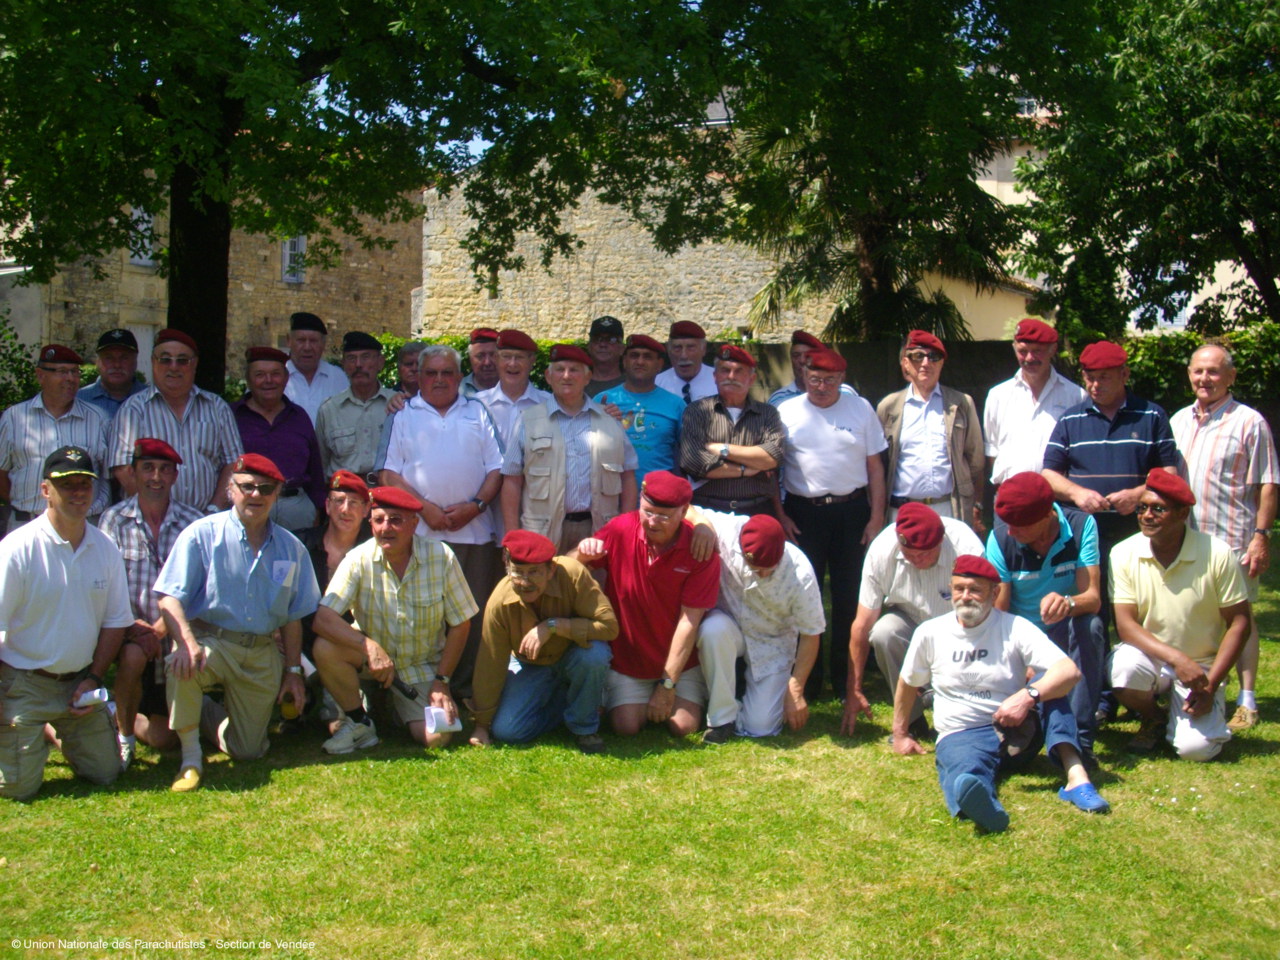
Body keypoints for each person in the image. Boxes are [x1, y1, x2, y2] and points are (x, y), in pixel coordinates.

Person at [891, 555, 1110, 833]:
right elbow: (908, 682)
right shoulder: (930, 632)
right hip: (962, 732)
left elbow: (1069, 671)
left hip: (1018, 731)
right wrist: (900, 733)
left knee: (1049, 681)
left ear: (995, 593)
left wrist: (1028, 696)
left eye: (975, 590)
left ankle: (1077, 778)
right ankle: (982, 805)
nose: (965, 596)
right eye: (959, 589)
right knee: (964, 771)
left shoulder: (1015, 627)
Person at [155, 453, 321, 792]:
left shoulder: (292, 549)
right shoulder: (202, 534)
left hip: (260, 652)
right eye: (247, 487)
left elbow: (292, 617)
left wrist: (293, 672)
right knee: (182, 664)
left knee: (248, 750)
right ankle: (191, 759)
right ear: (230, 490)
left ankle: (202, 712)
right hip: (211, 642)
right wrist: (186, 642)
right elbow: (168, 597)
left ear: (277, 494)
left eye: (266, 488)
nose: (256, 494)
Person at [0, 446, 133, 800]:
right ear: (46, 490)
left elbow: (116, 622)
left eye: (84, 484)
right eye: (66, 484)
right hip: (23, 684)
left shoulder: (105, 548)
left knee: (106, 773)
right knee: (18, 790)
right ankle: (31, 728)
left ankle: (52, 732)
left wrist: (94, 678)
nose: (77, 492)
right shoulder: (17, 548)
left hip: (78, 683)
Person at [311, 485, 477, 753]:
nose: (386, 528)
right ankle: (360, 722)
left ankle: (392, 708)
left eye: (396, 520)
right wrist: (368, 646)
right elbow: (323, 618)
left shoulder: (441, 556)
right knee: (325, 647)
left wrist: (442, 681)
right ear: (371, 523)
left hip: (420, 666)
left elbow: (461, 624)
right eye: (378, 520)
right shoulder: (357, 559)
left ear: (414, 524)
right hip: (370, 662)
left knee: (437, 738)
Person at [381, 344, 503, 697]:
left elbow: (497, 468)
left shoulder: (477, 411)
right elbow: (388, 473)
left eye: (447, 372)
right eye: (431, 373)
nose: (439, 379)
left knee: (470, 617)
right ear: (418, 377)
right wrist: (424, 509)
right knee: (423, 617)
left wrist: (475, 506)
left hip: (474, 534)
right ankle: (421, 690)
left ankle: (462, 691)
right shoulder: (402, 414)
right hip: (420, 535)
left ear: (459, 376)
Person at [1171, 343, 1278, 731]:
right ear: (1189, 374)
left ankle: (1247, 699)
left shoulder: (1249, 422)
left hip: (1232, 538)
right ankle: (1199, 687)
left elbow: (1268, 483)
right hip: (1184, 540)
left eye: (1214, 371)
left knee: (1240, 619)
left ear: (1230, 377)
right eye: (1198, 371)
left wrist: (1261, 536)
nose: (1205, 379)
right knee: (1193, 615)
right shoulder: (1177, 421)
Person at [1110, 470, 1251, 761]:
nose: (1147, 516)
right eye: (1142, 508)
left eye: (1157, 509)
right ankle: (1154, 717)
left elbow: (1240, 622)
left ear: (1182, 513)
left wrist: (1210, 685)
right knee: (1123, 669)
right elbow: (1125, 625)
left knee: (1195, 751)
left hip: (1202, 667)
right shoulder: (1122, 553)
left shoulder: (1218, 553)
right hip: (1151, 657)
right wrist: (1177, 659)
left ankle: (1204, 707)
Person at [571, 471, 721, 738]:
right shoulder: (620, 529)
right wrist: (581, 555)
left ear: (684, 511)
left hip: (682, 663)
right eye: (647, 511)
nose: (652, 522)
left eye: (663, 516)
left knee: (684, 726)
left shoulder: (699, 549)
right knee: (625, 726)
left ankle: (675, 691)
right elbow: (567, 568)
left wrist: (667, 684)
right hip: (629, 661)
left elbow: (689, 622)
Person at [778, 348, 887, 700]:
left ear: (842, 379)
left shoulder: (861, 409)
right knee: (805, 596)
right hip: (803, 513)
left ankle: (845, 681)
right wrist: (781, 515)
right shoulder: (787, 411)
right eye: (814, 379)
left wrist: (876, 517)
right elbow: (771, 469)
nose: (821, 387)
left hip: (851, 511)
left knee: (848, 596)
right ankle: (807, 682)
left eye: (829, 380)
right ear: (803, 374)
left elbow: (875, 468)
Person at [984, 471, 1106, 764]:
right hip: (1022, 640)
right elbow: (999, 614)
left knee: (1090, 626)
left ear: (1047, 515)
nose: (1010, 532)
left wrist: (1067, 603)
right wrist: (1023, 657)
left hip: (1064, 630)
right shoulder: (999, 539)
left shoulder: (1081, 526)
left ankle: (1081, 739)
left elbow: (1092, 599)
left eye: (1019, 526)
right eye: (1007, 524)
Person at [99, 438, 205, 768]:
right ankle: (125, 739)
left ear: (175, 476)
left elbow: (198, 589)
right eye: (147, 468)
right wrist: (135, 628)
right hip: (129, 630)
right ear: (133, 473)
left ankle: (111, 710)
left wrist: (160, 630)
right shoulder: (114, 520)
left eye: (164, 469)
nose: (156, 477)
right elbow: (106, 585)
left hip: (175, 634)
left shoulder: (193, 523)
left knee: (163, 739)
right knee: (132, 656)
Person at [841, 503, 983, 737]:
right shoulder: (882, 551)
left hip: (960, 626)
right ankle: (912, 719)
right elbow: (862, 625)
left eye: (925, 554)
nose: (917, 560)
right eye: (909, 554)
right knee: (884, 632)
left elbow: (985, 612)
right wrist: (853, 689)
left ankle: (961, 710)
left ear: (940, 541)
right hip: (909, 622)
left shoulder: (965, 546)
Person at [470, 530, 617, 753]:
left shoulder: (573, 574)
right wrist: (481, 725)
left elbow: (609, 627)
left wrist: (554, 626)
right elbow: (490, 664)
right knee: (508, 732)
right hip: (530, 665)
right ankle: (570, 704)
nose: (524, 582)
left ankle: (584, 728)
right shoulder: (499, 602)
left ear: (551, 570)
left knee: (595, 654)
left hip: (573, 657)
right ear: (507, 568)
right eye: (518, 572)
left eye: (534, 572)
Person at [691, 510, 825, 742]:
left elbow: (811, 633)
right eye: (754, 567)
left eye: (768, 569)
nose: (760, 574)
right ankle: (721, 719)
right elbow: (687, 507)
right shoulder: (727, 530)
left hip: (772, 642)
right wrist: (701, 524)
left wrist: (796, 688)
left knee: (760, 726)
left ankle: (740, 709)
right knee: (712, 630)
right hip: (730, 624)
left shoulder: (800, 571)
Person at [1042, 340, 1179, 562]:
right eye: (1090, 378)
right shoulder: (1070, 419)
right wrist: (1078, 493)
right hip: (1083, 532)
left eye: (1104, 377)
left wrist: (1137, 495)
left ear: (1124, 375)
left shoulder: (1152, 416)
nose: (1095, 385)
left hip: (1137, 529)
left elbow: (1169, 473)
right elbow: (1049, 475)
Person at [501, 343, 638, 553]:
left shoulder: (610, 420)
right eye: (559, 369)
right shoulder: (528, 420)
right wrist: (512, 536)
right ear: (548, 376)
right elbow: (512, 480)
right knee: (543, 577)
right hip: (542, 530)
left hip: (599, 530)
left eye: (574, 370)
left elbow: (628, 476)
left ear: (587, 377)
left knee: (595, 576)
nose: (566, 376)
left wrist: (625, 528)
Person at [111, 329, 243, 514]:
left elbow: (234, 464)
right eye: (165, 359)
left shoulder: (217, 407)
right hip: (150, 520)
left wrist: (213, 511)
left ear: (194, 364)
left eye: (182, 360)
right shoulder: (133, 409)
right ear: (153, 362)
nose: (174, 367)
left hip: (206, 520)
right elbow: (123, 469)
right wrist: (159, 512)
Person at [877, 330, 985, 534]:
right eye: (918, 356)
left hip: (948, 509)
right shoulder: (888, 407)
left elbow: (975, 461)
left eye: (934, 357)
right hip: (902, 510)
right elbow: (879, 465)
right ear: (905, 363)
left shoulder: (961, 403)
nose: (926, 363)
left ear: (942, 363)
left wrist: (976, 504)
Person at [0, 345, 111, 535]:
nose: (71, 378)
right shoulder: (14, 418)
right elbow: (1, 474)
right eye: (62, 371)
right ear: (40, 375)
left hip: (85, 527)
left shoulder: (99, 419)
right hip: (27, 525)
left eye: (75, 372)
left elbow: (110, 476)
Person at [679, 344, 785, 519]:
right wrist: (747, 469)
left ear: (751, 379)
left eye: (739, 371)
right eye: (725, 370)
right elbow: (695, 463)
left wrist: (721, 449)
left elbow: (772, 457)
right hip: (708, 511)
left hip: (758, 509)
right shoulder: (697, 411)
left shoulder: (767, 413)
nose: (731, 376)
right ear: (715, 376)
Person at [982, 318, 1085, 493]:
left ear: (1052, 349)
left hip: (1057, 498)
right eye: (1023, 351)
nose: (1029, 358)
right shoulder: (998, 395)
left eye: (1037, 351)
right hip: (1010, 496)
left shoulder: (1076, 396)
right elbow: (992, 450)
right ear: (1014, 349)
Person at [232, 346, 326, 531]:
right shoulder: (232, 416)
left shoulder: (299, 416)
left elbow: (315, 468)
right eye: (260, 375)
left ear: (286, 378)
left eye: (275, 374)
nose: (268, 380)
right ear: (249, 379)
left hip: (295, 509)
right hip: (249, 504)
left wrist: (318, 509)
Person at [597, 334, 686, 478]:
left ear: (659, 364)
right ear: (624, 361)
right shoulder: (603, 400)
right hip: (612, 489)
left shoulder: (676, 404)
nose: (640, 361)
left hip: (659, 491)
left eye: (647, 357)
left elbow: (689, 453)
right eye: (634, 356)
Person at [314, 331, 396, 481]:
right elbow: (321, 462)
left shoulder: (397, 405)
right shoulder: (329, 410)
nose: (358, 364)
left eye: (365, 357)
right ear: (344, 365)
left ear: (380, 362)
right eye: (351, 358)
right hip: (345, 490)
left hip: (387, 489)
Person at [474, 328, 549, 451]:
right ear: (496, 359)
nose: (512, 364)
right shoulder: (477, 404)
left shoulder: (549, 405)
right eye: (506, 356)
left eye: (519, 357)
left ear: (532, 361)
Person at [284, 311, 348, 423]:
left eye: (313, 341)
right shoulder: (274, 379)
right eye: (301, 340)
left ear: (323, 344)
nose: (307, 347)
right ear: (289, 341)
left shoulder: (338, 377)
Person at [78, 328, 146, 419]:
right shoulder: (79, 400)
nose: (117, 365)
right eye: (109, 358)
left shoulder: (152, 400)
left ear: (135, 361)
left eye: (124, 358)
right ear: (98, 362)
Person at [655, 320, 717, 404]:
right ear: (668, 350)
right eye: (677, 348)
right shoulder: (657, 385)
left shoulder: (719, 382)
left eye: (691, 347)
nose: (684, 356)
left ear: (703, 349)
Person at [585, 315, 626, 397]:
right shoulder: (577, 384)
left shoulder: (632, 385)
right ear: (589, 347)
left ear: (622, 348)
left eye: (611, 340)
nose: (603, 344)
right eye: (597, 339)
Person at [461, 328, 500, 397]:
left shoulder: (515, 387)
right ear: (470, 359)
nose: (487, 362)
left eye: (493, 355)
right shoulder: (457, 389)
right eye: (480, 356)